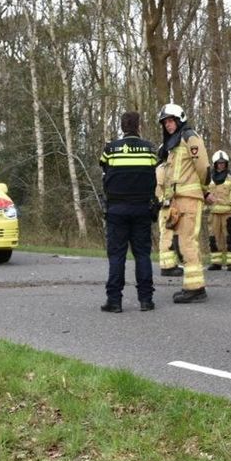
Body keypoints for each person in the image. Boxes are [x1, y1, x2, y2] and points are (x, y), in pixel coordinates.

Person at [99, 111, 160, 313]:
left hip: (117, 209)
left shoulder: (111, 149)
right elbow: (157, 175)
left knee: (117, 256)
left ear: (122, 126)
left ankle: (114, 301)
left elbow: (104, 170)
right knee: (142, 254)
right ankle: (146, 300)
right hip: (142, 208)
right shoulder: (150, 150)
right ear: (138, 126)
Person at [158, 103, 210, 303]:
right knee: (182, 243)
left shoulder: (190, 137)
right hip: (177, 200)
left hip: (189, 199)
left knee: (188, 242)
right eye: (165, 122)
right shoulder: (175, 143)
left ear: (179, 119)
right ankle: (193, 286)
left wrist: (204, 191)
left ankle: (195, 288)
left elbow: (203, 167)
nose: (168, 125)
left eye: (171, 121)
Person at [205, 151, 231, 271]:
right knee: (213, 238)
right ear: (215, 164)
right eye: (218, 163)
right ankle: (216, 262)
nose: (221, 165)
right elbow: (203, 192)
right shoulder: (208, 176)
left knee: (230, 237)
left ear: (226, 164)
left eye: (223, 163)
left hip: (229, 213)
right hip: (213, 213)